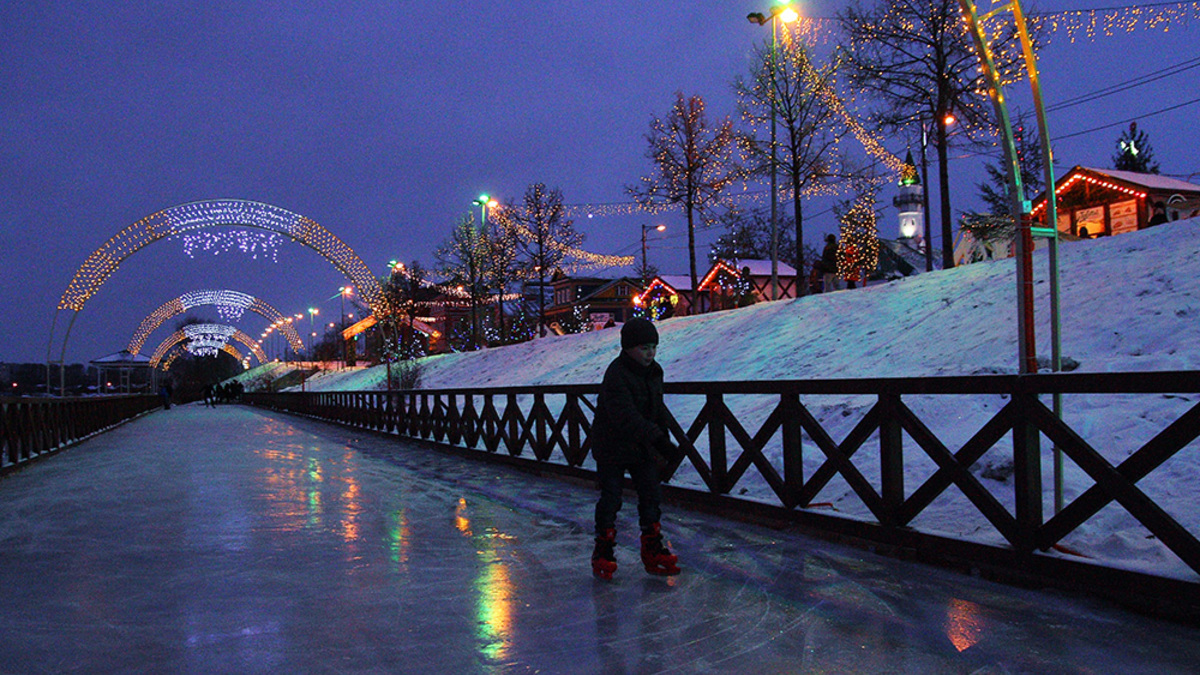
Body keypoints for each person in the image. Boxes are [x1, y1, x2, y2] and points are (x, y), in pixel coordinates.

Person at [589, 318, 680, 579]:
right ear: (628, 348)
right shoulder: (616, 374)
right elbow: (625, 415)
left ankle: (653, 546)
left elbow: (656, 410)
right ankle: (603, 549)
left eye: (653, 347)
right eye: (643, 348)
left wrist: (664, 440)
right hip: (612, 446)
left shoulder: (654, 372)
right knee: (612, 497)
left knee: (651, 494)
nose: (650, 353)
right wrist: (659, 440)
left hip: (641, 445)